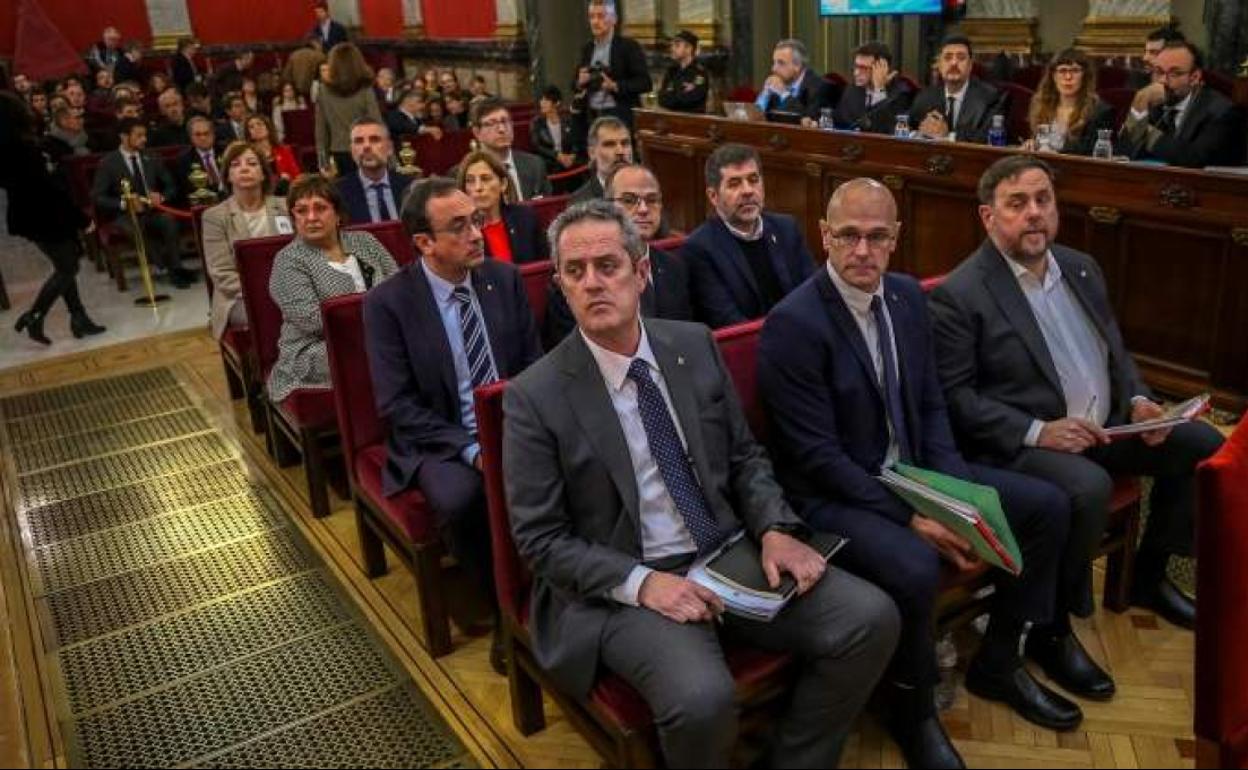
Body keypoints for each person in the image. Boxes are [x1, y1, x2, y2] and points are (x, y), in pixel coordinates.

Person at [504, 199, 901, 769]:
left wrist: (775, 528)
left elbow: (744, 457)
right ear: (561, 285)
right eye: (575, 270)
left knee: (871, 619)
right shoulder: (534, 396)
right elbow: (541, 540)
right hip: (627, 577)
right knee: (701, 701)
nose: (592, 282)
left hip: (727, 550)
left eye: (608, 265)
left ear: (642, 272)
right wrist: (644, 583)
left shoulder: (692, 344)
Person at [759, 179, 1079, 768]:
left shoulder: (906, 297)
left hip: (910, 473)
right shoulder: (793, 322)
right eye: (848, 235)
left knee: (1047, 507)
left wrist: (960, 498)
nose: (862, 250)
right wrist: (913, 516)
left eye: (877, 236)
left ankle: (1000, 659)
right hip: (833, 495)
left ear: (896, 238)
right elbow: (816, 457)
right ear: (824, 236)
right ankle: (912, 707)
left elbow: (932, 407)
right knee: (913, 564)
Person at [930, 155, 1226, 644]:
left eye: (1043, 200)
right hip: (1029, 444)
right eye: (1017, 203)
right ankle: (1054, 627)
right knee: (1088, 487)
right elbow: (956, 398)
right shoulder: (961, 294)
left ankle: (1149, 575)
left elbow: (1115, 351)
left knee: (1203, 445)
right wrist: (1039, 432)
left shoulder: (1080, 267)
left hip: (1106, 426)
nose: (1034, 213)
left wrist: (1139, 399)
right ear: (988, 216)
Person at [364, 177, 543, 673]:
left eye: (476, 220)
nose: (477, 233)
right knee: (464, 498)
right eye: (459, 226)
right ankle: (507, 612)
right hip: (439, 439)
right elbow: (397, 405)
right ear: (425, 242)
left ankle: (564, 594)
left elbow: (532, 363)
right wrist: (472, 449)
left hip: (514, 424)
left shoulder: (503, 279)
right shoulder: (389, 303)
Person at [268, 174, 399, 404]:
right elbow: (313, 321)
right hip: (314, 349)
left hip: (378, 336)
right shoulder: (288, 260)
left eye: (320, 208)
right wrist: (381, 323)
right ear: (293, 218)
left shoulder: (365, 241)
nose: (311, 217)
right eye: (301, 211)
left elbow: (398, 289)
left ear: (338, 214)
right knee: (379, 353)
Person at [544, 163, 691, 346]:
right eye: (629, 200)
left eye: (652, 200)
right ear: (608, 207)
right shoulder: (574, 277)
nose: (643, 209)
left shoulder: (674, 266)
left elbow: (685, 337)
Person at [3, 92, 105, 345]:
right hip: (46, 214)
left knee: (64, 264)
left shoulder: (8, 148)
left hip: (29, 214)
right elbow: (48, 189)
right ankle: (35, 315)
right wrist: (81, 218)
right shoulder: (24, 148)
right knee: (69, 266)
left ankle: (78, 317)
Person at [682, 143, 814, 328]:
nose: (748, 191)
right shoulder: (700, 248)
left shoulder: (786, 228)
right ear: (713, 196)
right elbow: (728, 321)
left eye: (753, 180)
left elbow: (813, 292)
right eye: (734, 184)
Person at [91, 117, 197, 289]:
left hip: (153, 210)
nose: (144, 139)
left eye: (145, 135)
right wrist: (125, 203)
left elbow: (171, 185)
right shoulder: (108, 163)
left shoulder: (152, 157)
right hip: (125, 214)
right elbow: (98, 197)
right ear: (124, 137)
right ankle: (168, 266)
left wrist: (161, 197)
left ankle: (175, 267)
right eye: (139, 135)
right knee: (133, 227)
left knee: (169, 221)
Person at [201, 142, 292, 340]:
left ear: (263, 173)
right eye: (235, 165)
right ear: (228, 176)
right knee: (269, 312)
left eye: (252, 163)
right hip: (238, 296)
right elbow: (222, 273)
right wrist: (265, 293)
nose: (244, 168)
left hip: (290, 289)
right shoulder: (214, 217)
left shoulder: (286, 207)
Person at [1118, 41, 1246, 168]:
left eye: (1174, 73)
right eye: (1159, 72)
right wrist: (1139, 102)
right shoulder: (1155, 103)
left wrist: (1145, 133)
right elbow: (1123, 153)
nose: (1163, 81)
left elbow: (1194, 158)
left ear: (1194, 77)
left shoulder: (1221, 112)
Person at [908, 35, 1008, 144]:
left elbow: (988, 138)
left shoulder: (991, 98)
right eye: (947, 58)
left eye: (961, 58)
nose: (954, 63)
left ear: (970, 65)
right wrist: (919, 132)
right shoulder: (925, 97)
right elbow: (905, 127)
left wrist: (948, 136)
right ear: (939, 65)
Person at [455, 150, 547, 264]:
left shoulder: (526, 218)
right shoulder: (462, 232)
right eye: (470, 181)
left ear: (503, 184)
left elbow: (545, 265)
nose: (478, 187)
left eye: (485, 179)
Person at [572, 0, 652, 131]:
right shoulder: (587, 48)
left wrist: (615, 86)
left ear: (614, 19)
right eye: (591, 16)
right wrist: (580, 83)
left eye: (600, 16)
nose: (595, 22)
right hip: (591, 116)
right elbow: (574, 84)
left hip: (620, 116)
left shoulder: (628, 46)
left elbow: (645, 83)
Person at [1023, 49, 1117, 156]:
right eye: (1062, 71)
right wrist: (1033, 144)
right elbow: (1040, 141)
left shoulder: (1100, 112)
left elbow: (1090, 153)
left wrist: (1056, 155)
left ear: (1085, 76)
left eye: (1075, 71)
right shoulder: (1040, 105)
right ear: (1053, 76)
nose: (1068, 77)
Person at [316, 42, 382, 176]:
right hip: (366, 149)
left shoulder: (323, 91)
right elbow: (376, 123)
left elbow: (321, 129)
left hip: (339, 151)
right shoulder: (365, 89)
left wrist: (323, 161)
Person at [467, 97, 550, 200]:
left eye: (505, 121)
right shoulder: (465, 173)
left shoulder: (535, 165)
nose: (502, 129)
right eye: (492, 123)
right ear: (477, 133)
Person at [335, 118, 413, 223]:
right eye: (359, 141)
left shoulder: (410, 188)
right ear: (352, 150)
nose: (366, 146)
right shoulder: (338, 193)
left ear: (390, 148)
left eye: (374, 140)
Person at [834, 40, 916, 134]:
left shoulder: (900, 94)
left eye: (863, 68)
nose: (856, 73)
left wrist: (879, 90)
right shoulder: (852, 90)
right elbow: (839, 124)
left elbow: (887, 131)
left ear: (882, 68)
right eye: (856, 66)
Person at [753, 38, 832, 122]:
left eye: (781, 63)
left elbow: (808, 121)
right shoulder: (777, 85)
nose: (774, 69)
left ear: (797, 65)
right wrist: (765, 95)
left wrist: (783, 94)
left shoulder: (819, 87)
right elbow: (755, 118)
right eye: (774, 62)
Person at [569, 115, 633, 203]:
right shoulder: (581, 203)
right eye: (610, 144)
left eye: (625, 143)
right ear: (592, 153)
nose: (620, 151)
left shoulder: (648, 189)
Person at [530, 85, 580, 177]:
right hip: (549, 162)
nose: (542, 103)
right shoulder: (537, 123)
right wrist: (557, 156)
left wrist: (573, 155)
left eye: (546, 100)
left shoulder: (568, 120)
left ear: (556, 103)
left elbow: (576, 141)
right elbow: (537, 146)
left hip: (567, 159)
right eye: (541, 100)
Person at [175, 116, 227, 205]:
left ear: (213, 135)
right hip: (204, 204)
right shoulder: (184, 161)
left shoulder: (226, 151)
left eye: (206, 133)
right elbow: (186, 191)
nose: (203, 138)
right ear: (191, 137)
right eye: (198, 134)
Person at [245, 113, 302, 192]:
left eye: (259, 124)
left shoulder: (284, 150)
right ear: (249, 134)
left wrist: (287, 178)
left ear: (268, 128)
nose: (256, 128)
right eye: (251, 127)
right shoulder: (249, 155)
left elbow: (297, 176)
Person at [657, 30, 709, 114]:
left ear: (689, 49)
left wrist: (672, 96)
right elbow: (661, 98)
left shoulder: (699, 73)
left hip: (692, 118)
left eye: (677, 45)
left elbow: (692, 99)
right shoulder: (671, 70)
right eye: (672, 45)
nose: (672, 49)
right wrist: (680, 94)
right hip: (671, 116)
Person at [1128, 26, 1186, 90]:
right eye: (1145, 52)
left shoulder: (1186, 82)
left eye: (1154, 52)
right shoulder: (1137, 79)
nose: (1145, 58)